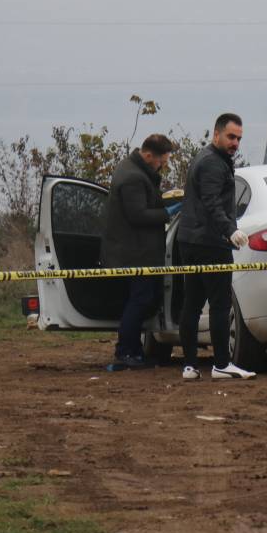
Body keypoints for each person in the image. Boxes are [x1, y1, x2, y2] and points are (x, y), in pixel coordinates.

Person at [176, 113, 256, 380]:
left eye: (239, 139)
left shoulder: (208, 158)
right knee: (220, 304)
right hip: (210, 243)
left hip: (191, 240)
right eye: (231, 137)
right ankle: (222, 363)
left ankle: (189, 365)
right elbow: (212, 203)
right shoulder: (213, 162)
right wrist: (230, 231)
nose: (235, 143)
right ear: (216, 134)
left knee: (193, 303)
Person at [102, 133, 179, 370]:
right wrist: (170, 211)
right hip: (135, 253)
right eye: (161, 161)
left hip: (134, 250)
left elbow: (145, 205)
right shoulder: (133, 178)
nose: (163, 166)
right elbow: (138, 215)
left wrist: (166, 201)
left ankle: (133, 351)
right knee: (140, 300)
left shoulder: (133, 170)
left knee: (140, 300)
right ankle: (125, 351)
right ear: (148, 156)